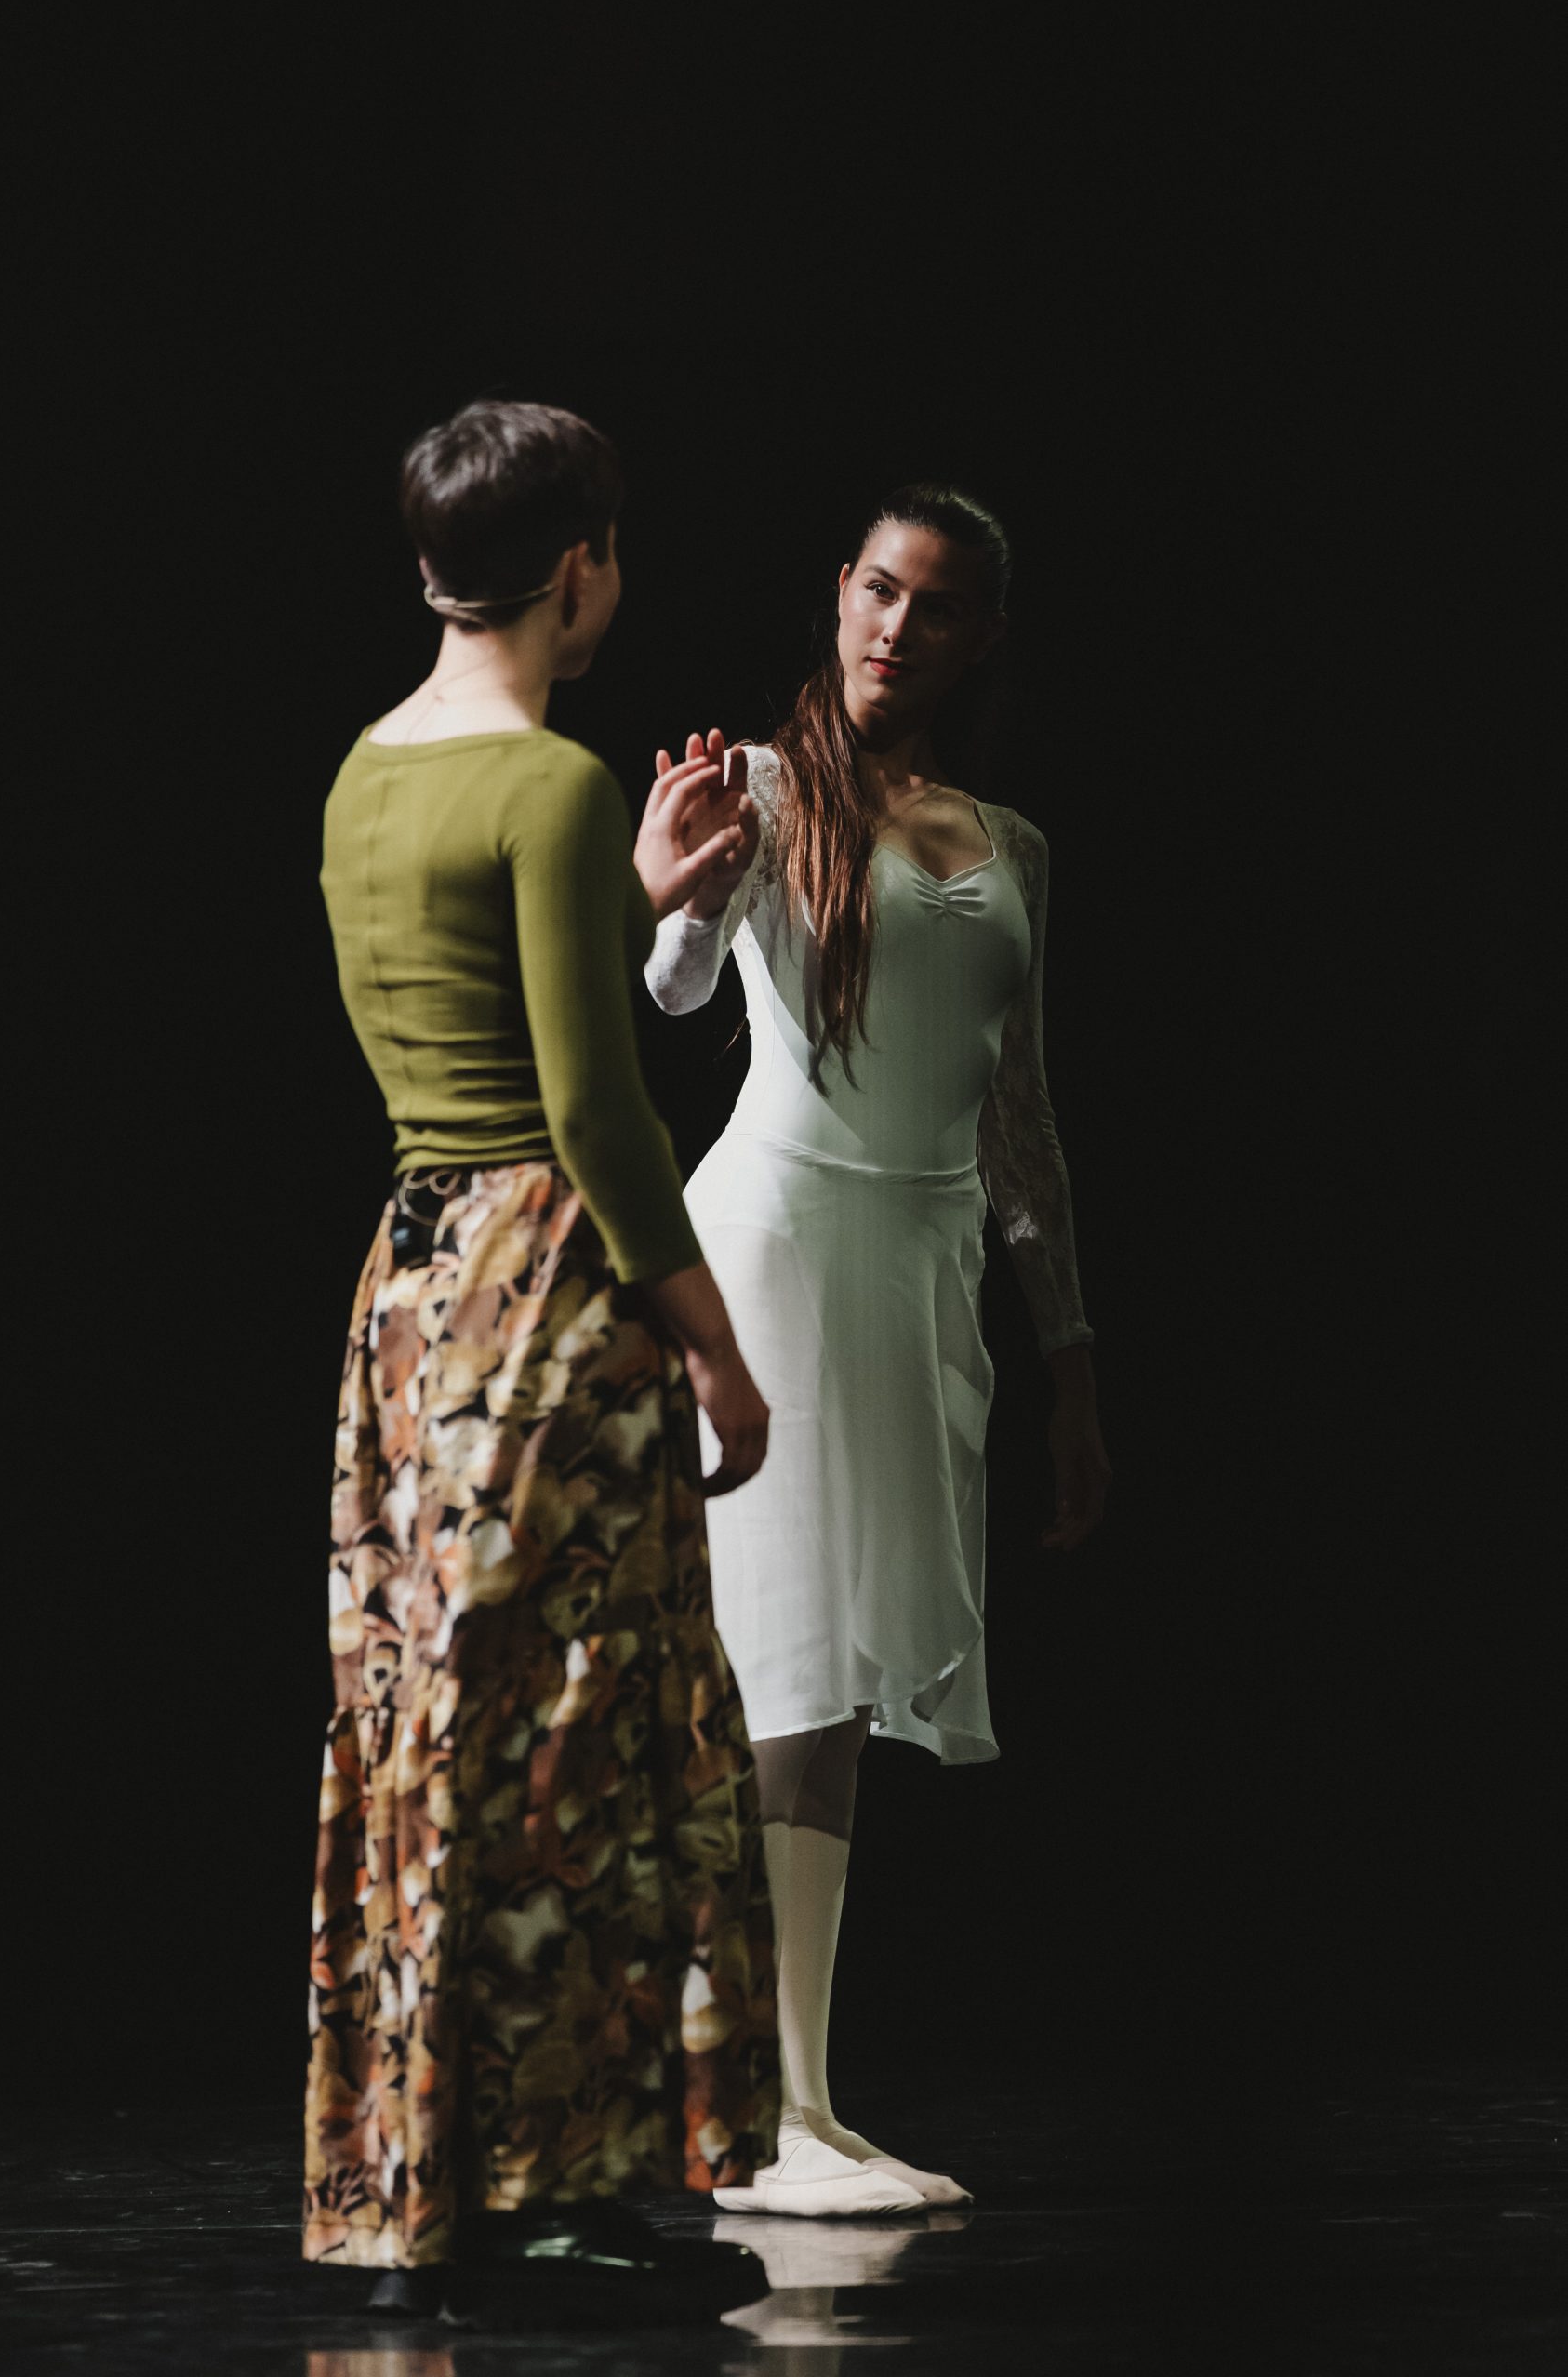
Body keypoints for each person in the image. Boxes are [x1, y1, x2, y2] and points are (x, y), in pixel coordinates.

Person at [304, 399, 779, 2320]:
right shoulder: (551, 779)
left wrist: (628, 900)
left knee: (436, 1720)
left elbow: (478, 1023)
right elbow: (588, 1108)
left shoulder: (363, 773)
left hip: (409, 1291)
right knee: (567, 1733)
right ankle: (542, 2192)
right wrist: (717, 1347)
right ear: (578, 564)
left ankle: (432, 2172)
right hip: (545, 1289)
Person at [634, 485, 1111, 2216]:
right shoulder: (768, 789)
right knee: (784, 1661)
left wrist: (1069, 1363)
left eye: (937, 605)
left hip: (920, 1267)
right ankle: (767, 2118)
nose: (898, 628)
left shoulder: (1014, 848)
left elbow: (1021, 1118)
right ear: (840, 594)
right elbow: (679, 984)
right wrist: (677, 892)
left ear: (981, 636)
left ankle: (810, 2106)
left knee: (836, 1690)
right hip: (780, 1242)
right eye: (879, 591)